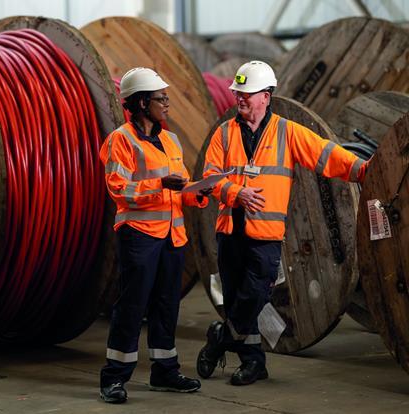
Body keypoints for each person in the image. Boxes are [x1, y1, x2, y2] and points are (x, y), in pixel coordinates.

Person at [197, 61, 369, 386]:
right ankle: (252, 362)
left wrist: (361, 169)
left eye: (247, 94)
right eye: (238, 93)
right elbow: (209, 180)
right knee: (235, 298)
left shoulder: (287, 132)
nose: (240, 99)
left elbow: (326, 154)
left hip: (265, 235)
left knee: (256, 295)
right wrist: (236, 193)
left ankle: (222, 336)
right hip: (229, 232)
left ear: (266, 95)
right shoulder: (223, 134)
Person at [99, 67, 211, 403]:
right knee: (133, 305)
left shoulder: (171, 140)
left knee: (166, 306)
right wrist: (159, 185)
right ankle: (114, 378)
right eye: (161, 99)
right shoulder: (121, 140)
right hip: (140, 235)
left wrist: (199, 192)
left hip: (172, 237)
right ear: (142, 103)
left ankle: (165, 371)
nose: (167, 104)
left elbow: (180, 186)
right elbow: (119, 189)